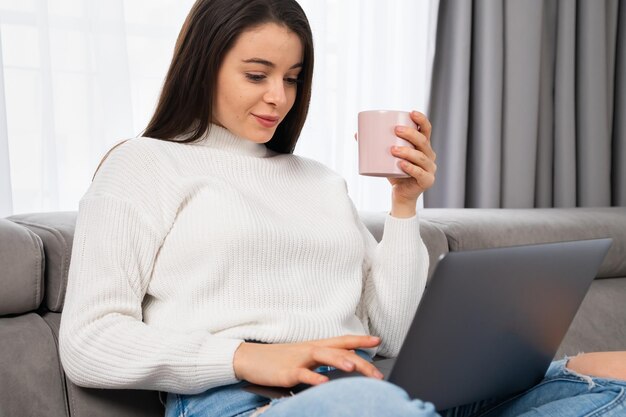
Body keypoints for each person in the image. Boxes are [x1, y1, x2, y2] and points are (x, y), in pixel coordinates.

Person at [58, 0, 626, 416]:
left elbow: (394, 335)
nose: (278, 97)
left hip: (377, 389)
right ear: (203, 64)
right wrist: (248, 359)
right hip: (246, 401)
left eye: (293, 78)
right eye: (257, 75)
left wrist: (405, 204)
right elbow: (89, 343)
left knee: (613, 375)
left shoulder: (320, 182)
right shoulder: (143, 164)